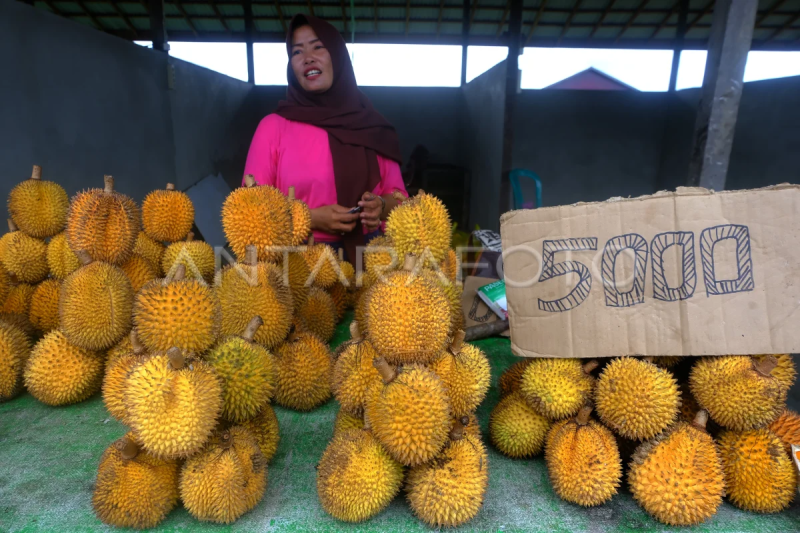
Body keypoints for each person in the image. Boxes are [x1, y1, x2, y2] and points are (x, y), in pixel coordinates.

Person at [243, 14, 407, 261]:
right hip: (296, 262)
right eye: (297, 52)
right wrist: (310, 218)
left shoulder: (370, 126)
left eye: (318, 47)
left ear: (338, 56)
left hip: (369, 259)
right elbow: (248, 210)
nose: (307, 57)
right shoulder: (273, 127)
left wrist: (380, 207)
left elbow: (401, 200)